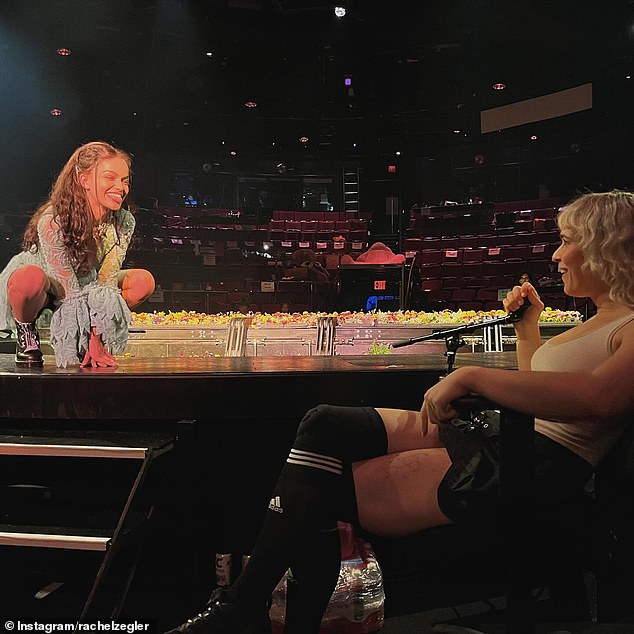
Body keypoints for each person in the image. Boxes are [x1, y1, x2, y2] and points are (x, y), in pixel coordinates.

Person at [166, 190, 634, 634]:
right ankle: (245, 606)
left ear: (605, 249)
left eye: (568, 241)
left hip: (530, 465)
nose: (556, 255)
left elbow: (600, 398)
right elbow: (544, 388)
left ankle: (244, 608)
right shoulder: (600, 319)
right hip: (505, 438)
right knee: (324, 424)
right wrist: (529, 328)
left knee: (315, 492)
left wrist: (472, 376)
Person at [0, 141, 155, 368]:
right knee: (29, 279)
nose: (120, 188)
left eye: (124, 181)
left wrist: (96, 338)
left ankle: (86, 341)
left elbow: (106, 283)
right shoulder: (54, 221)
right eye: (110, 178)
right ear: (84, 181)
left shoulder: (124, 222)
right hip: (49, 286)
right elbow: (69, 291)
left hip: (85, 284)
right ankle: (26, 332)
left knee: (143, 281)